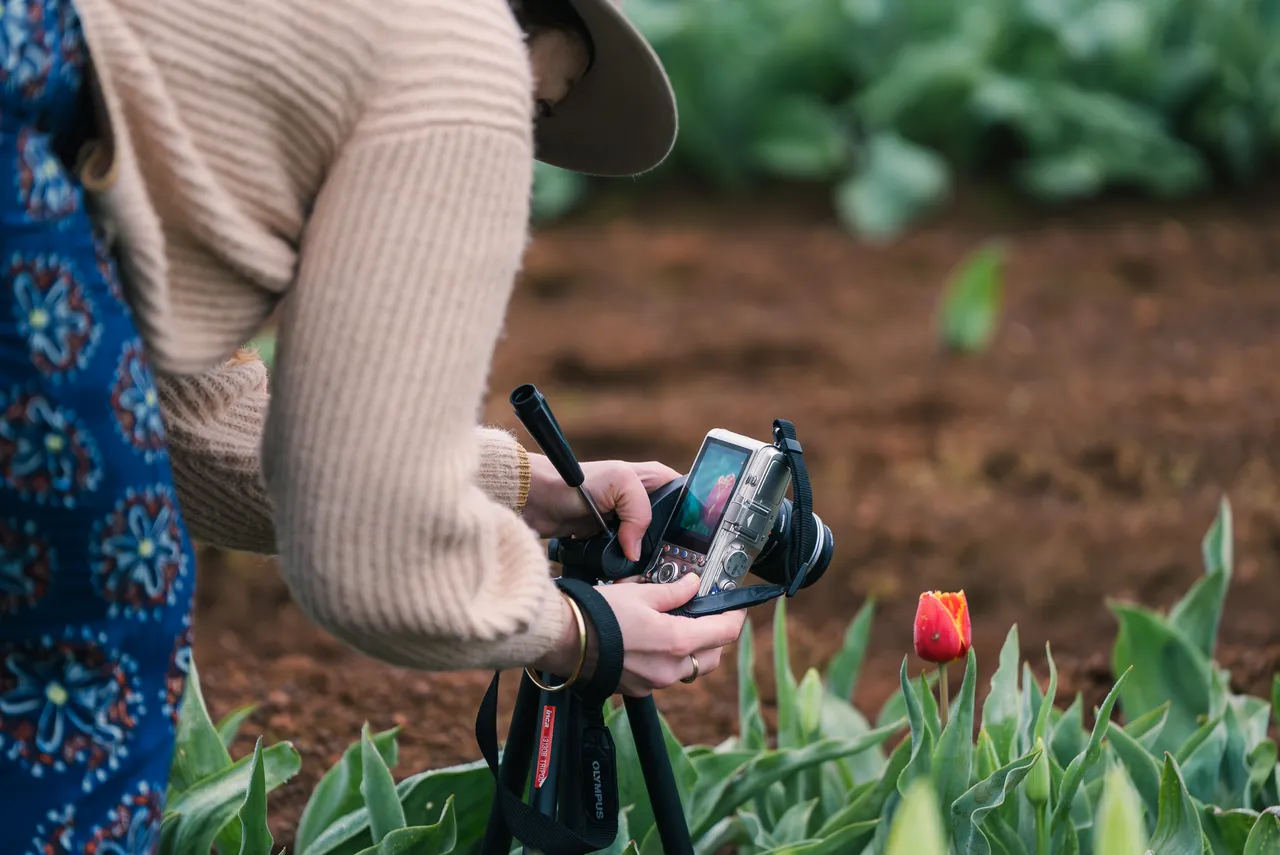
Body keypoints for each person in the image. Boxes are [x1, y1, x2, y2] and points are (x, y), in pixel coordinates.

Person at [1, 0, 747, 849]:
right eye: (546, 100)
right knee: (80, 625)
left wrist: (522, 488)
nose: (528, 126)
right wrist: (583, 631)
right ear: (536, 23)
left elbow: (179, 415)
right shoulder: (463, 57)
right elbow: (367, 544)